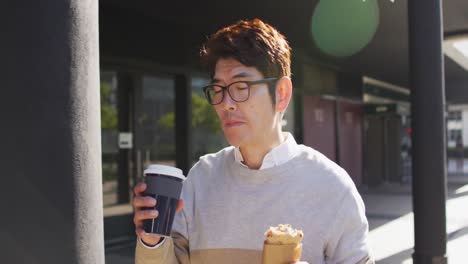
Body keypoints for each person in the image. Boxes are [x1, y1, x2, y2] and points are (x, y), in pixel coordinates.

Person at [133, 18, 373, 264]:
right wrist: (153, 241)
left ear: (281, 94)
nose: (226, 103)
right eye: (218, 89)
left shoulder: (332, 187)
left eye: (241, 86)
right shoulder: (200, 179)